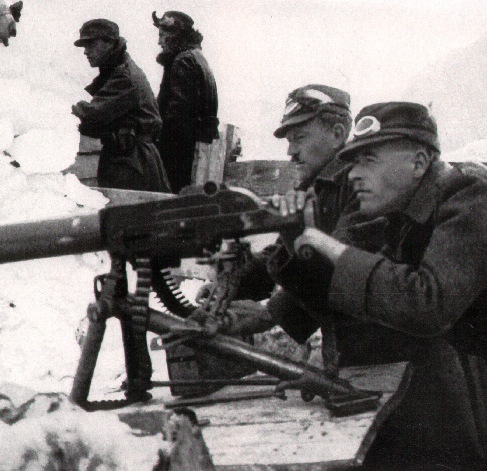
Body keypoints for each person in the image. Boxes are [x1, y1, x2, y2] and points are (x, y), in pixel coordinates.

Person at [282, 102, 487, 469]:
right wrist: (294, 241)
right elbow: (349, 285)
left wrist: (328, 246)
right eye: (352, 162)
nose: (353, 174)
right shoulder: (404, 209)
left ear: (418, 163)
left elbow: (427, 304)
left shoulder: (472, 193)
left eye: (367, 160)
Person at [210, 85, 385, 377]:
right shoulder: (315, 187)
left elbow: (338, 273)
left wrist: (269, 313)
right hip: (346, 351)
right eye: (289, 141)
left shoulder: (361, 189)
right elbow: (280, 254)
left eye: (299, 138)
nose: (291, 152)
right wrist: (235, 281)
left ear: (338, 134)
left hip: (374, 356)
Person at [71, 19, 171, 192]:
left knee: (127, 216)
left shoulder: (124, 77)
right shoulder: (118, 70)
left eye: (91, 44)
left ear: (109, 43)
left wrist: (60, 105)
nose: (85, 52)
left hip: (132, 163)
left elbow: (91, 117)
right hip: (129, 159)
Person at [152, 11, 219, 193]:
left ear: (174, 36)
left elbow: (177, 118)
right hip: (196, 151)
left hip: (180, 155)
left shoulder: (182, 61)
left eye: (162, 36)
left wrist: (156, 146)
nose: (159, 42)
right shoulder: (196, 57)